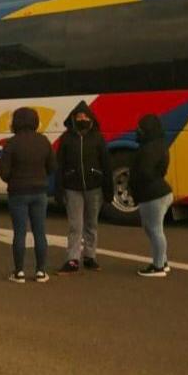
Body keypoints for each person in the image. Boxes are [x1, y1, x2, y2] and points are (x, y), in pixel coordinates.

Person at [0, 107, 56, 284]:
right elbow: (52, 166)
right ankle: (40, 271)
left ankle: (19, 272)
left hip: (18, 192)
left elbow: (2, 170)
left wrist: (12, 179)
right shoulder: (43, 141)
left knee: (20, 232)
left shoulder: (12, 143)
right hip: (39, 191)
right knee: (40, 232)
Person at [56, 102, 112, 275]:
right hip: (72, 187)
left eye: (85, 116)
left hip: (94, 187)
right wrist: (58, 189)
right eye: (79, 116)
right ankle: (72, 258)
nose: (82, 119)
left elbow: (106, 164)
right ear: (73, 118)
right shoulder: (66, 138)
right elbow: (60, 165)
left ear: (91, 118)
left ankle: (90, 256)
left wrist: (108, 188)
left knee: (91, 224)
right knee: (75, 225)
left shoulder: (98, 138)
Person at [129, 114, 174, 278]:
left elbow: (144, 172)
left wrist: (136, 186)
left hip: (152, 194)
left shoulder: (148, 149)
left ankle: (158, 266)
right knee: (152, 228)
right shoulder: (159, 145)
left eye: (140, 128)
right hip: (160, 192)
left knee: (154, 229)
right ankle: (162, 261)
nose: (138, 131)